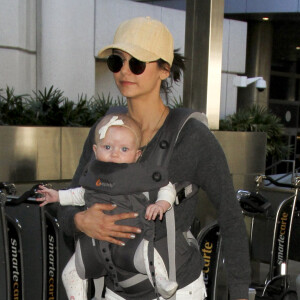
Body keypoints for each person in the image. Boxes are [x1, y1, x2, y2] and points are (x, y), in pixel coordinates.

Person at [59, 16, 251, 300]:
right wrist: (79, 221)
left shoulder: (192, 137)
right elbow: (68, 206)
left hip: (177, 289)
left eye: (136, 63)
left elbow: (231, 217)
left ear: (164, 70)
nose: (125, 71)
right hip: (117, 289)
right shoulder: (104, 132)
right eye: (117, 61)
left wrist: (239, 293)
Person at [37, 113, 178, 299]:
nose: (115, 153)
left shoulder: (139, 173)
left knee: (147, 253)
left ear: (137, 155)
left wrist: (161, 204)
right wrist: (57, 196)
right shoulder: (93, 174)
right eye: (108, 147)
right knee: (69, 274)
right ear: (95, 150)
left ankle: (160, 280)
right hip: (94, 243)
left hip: (130, 239)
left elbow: (166, 186)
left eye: (124, 149)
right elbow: (80, 194)